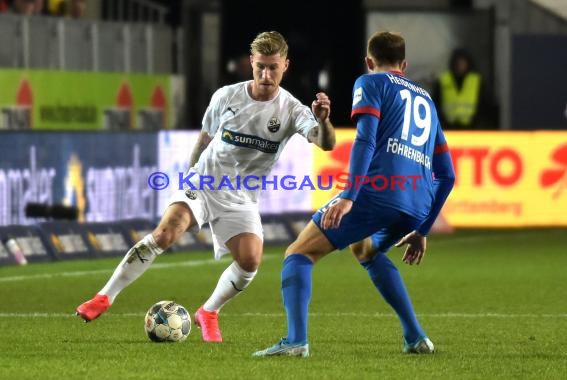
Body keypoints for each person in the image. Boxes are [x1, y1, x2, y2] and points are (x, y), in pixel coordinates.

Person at [75, 31, 336, 343]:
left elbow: (327, 144)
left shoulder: (292, 110)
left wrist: (322, 120)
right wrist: (189, 179)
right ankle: (104, 297)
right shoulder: (226, 96)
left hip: (241, 195)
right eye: (260, 67)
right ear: (251, 63)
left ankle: (208, 311)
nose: (266, 75)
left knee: (250, 261)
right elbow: (204, 138)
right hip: (205, 180)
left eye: (273, 68)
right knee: (165, 233)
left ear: (286, 66)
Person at [253, 31, 455, 357]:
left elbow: (366, 140)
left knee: (298, 254)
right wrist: (423, 229)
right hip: (417, 203)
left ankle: (295, 341)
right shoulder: (427, 101)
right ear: (404, 64)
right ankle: (415, 337)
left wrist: (349, 194)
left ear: (368, 61)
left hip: (377, 193)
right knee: (367, 250)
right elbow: (447, 175)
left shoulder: (370, 83)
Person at [433, 48, 482, 129]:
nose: (460, 66)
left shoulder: (476, 81)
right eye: (458, 63)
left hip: (471, 129)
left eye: (462, 63)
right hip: (448, 128)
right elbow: (435, 104)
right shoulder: (444, 80)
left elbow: (483, 105)